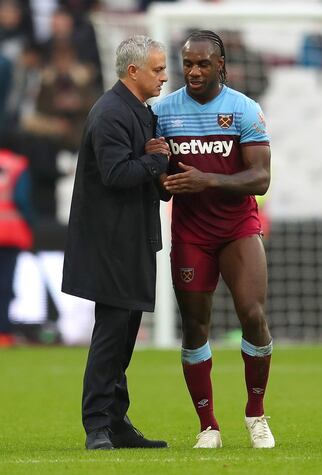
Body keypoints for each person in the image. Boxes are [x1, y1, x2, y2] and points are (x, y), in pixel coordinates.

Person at [153, 30, 274, 449]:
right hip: (190, 234)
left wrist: (207, 178)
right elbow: (161, 179)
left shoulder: (243, 109)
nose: (194, 71)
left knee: (253, 315)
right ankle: (208, 426)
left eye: (203, 63)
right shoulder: (163, 111)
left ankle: (256, 414)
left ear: (220, 64)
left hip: (237, 230)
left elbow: (261, 178)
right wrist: (160, 175)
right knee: (194, 327)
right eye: (187, 63)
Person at [61, 35, 170, 450]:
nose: (164, 77)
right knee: (111, 335)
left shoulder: (139, 111)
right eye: (157, 69)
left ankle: (116, 421)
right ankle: (97, 427)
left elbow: (143, 174)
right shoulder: (110, 113)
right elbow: (116, 174)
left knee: (124, 336)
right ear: (133, 71)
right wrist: (155, 161)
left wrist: (163, 175)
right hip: (109, 244)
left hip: (133, 239)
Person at [0, 147, 33, 347]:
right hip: (9, 232)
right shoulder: (17, 164)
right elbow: (22, 200)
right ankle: (3, 332)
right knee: (5, 284)